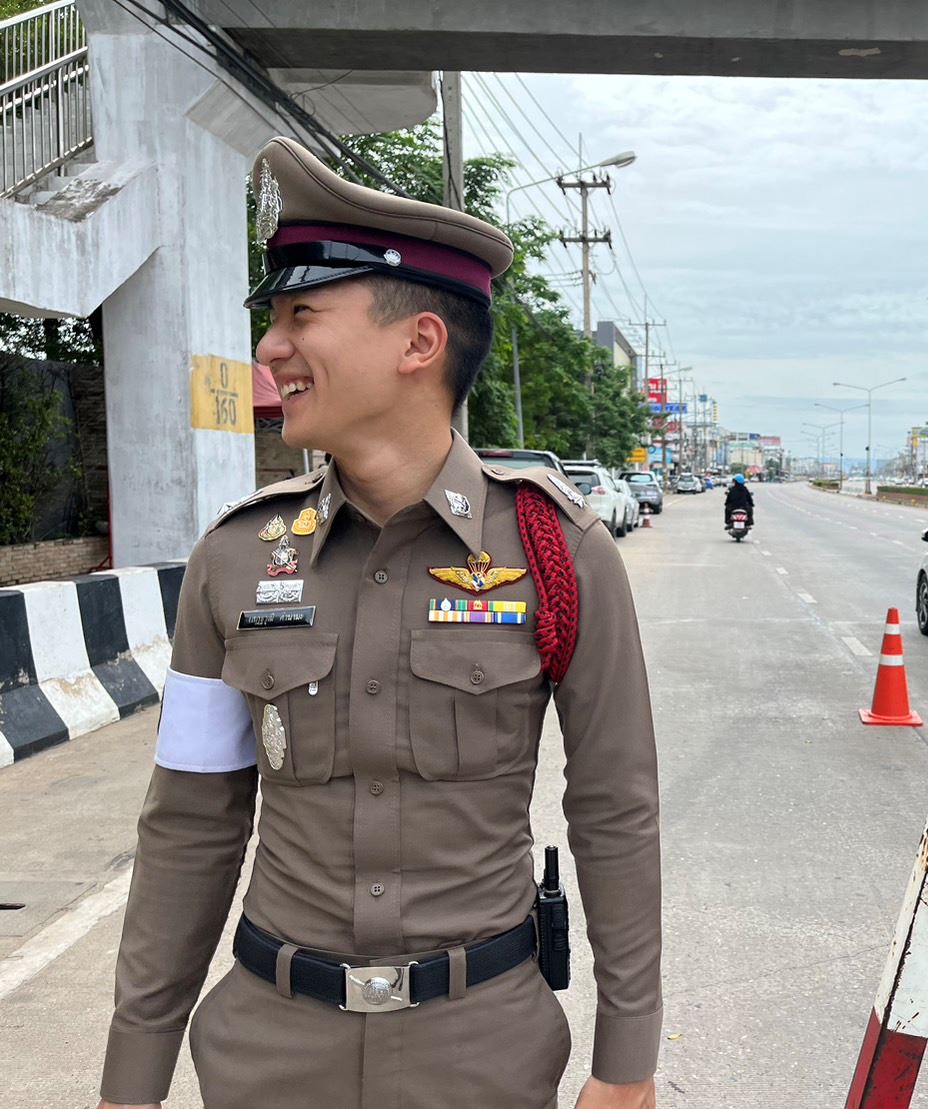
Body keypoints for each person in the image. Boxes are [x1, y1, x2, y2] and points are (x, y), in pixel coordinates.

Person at [97, 137, 661, 1109]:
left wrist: (626, 1059)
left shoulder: (559, 555)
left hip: (483, 1052)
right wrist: (130, 1076)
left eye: (301, 314)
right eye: (272, 320)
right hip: (267, 1053)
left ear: (418, 343)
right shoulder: (234, 557)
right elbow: (191, 822)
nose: (271, 348)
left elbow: (614, 809)